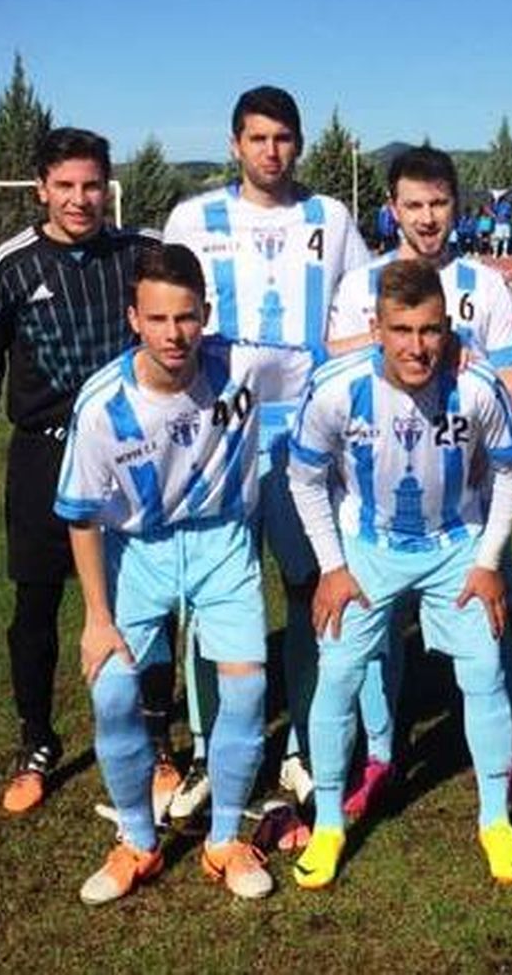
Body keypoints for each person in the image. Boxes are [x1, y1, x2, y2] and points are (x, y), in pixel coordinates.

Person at [58, 243, 315, 903]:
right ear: (133, 319)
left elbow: (325, 362)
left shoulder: (243, 364)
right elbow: (81, 517)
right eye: (158, 318)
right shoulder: (102, 405)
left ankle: (225, 840)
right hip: (136, 551)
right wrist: (96, 618)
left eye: (186, 316)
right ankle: (138, 842)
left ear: (206, 313)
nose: (174, 333)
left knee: (247, 691)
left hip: (222, 542)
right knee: (113, 692)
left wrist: (441, 358)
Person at [162, 86, 370, 818]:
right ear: (234, 144)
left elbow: (360, 314)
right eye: (257, 138)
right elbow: (166, 318)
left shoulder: (331, 218)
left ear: (299, 144)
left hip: (306, 439)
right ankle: (211, 750)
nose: (271, 151)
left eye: (283, 138)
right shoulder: (194, 219)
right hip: (218, 438)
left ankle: (305, 749)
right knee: (215, 592)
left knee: (310, 585)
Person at [288, 260, 512, 888]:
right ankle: (329, 824)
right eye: (401, 330)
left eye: (429, 330)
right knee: (338, 674)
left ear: (448, 327)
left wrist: (487, 561)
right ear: (376, 328)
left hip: (455, 544)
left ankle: (495, 818)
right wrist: (332, 566)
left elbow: (511, 472)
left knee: (484, 671)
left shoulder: (476, 385)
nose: (417, 347)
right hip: (367, 547)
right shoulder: (337, 387)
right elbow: (305, 478)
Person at [0, 127, 163, 815]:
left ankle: (156, 739)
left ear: (108, 187)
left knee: (144, 602)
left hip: (130, 454)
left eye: (91, 185)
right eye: (65, 185)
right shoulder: (11, 264)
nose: (79, 199)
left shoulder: (139, 253)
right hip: (44, 453)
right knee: (35, 607)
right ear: (41, 187)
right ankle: (37, 740)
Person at [324, 146, 512, 819]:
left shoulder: (487, 284)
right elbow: (335, 362)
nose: (427, 217)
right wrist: (424, 340)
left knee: (495, 621)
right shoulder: (362, 283)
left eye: (438, 202)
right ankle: (382, 753)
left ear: (457, 206)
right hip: (380, 492)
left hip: (466, 490)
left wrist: (480, 447)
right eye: (413, 204)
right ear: (392, 209)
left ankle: (507, 764)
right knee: (373, 631)